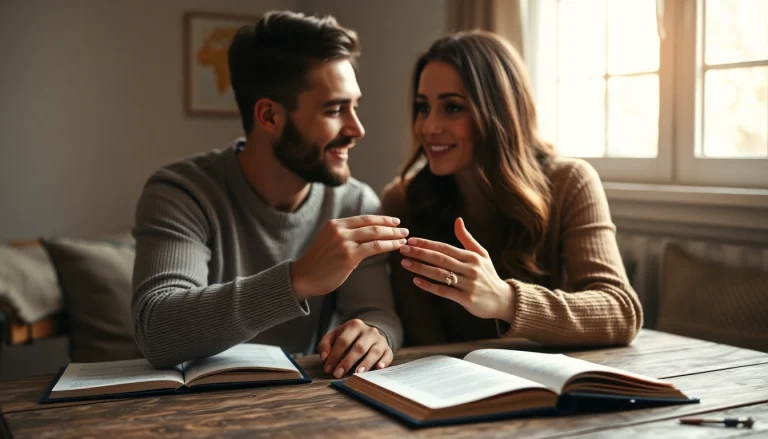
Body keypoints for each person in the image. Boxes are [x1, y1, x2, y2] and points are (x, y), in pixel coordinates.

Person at [132, 11, 405, 378]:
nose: (357, 129)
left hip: (303, 407)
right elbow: (157, 328)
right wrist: (297, 280)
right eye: (336, 110)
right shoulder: (181, 193)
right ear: (270, 117)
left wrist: (376, 335)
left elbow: (377, 312)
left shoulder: (355, 203)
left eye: (355, 106)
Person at [381, 30, 643, 347]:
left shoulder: (570, 181)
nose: (428, 127)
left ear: (500, 110)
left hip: (548, 381)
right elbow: (421, 341)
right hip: (447, 385)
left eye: (452, 108)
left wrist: (505, 300)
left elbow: (620, 311)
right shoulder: (403, 201)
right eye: (423, 108)